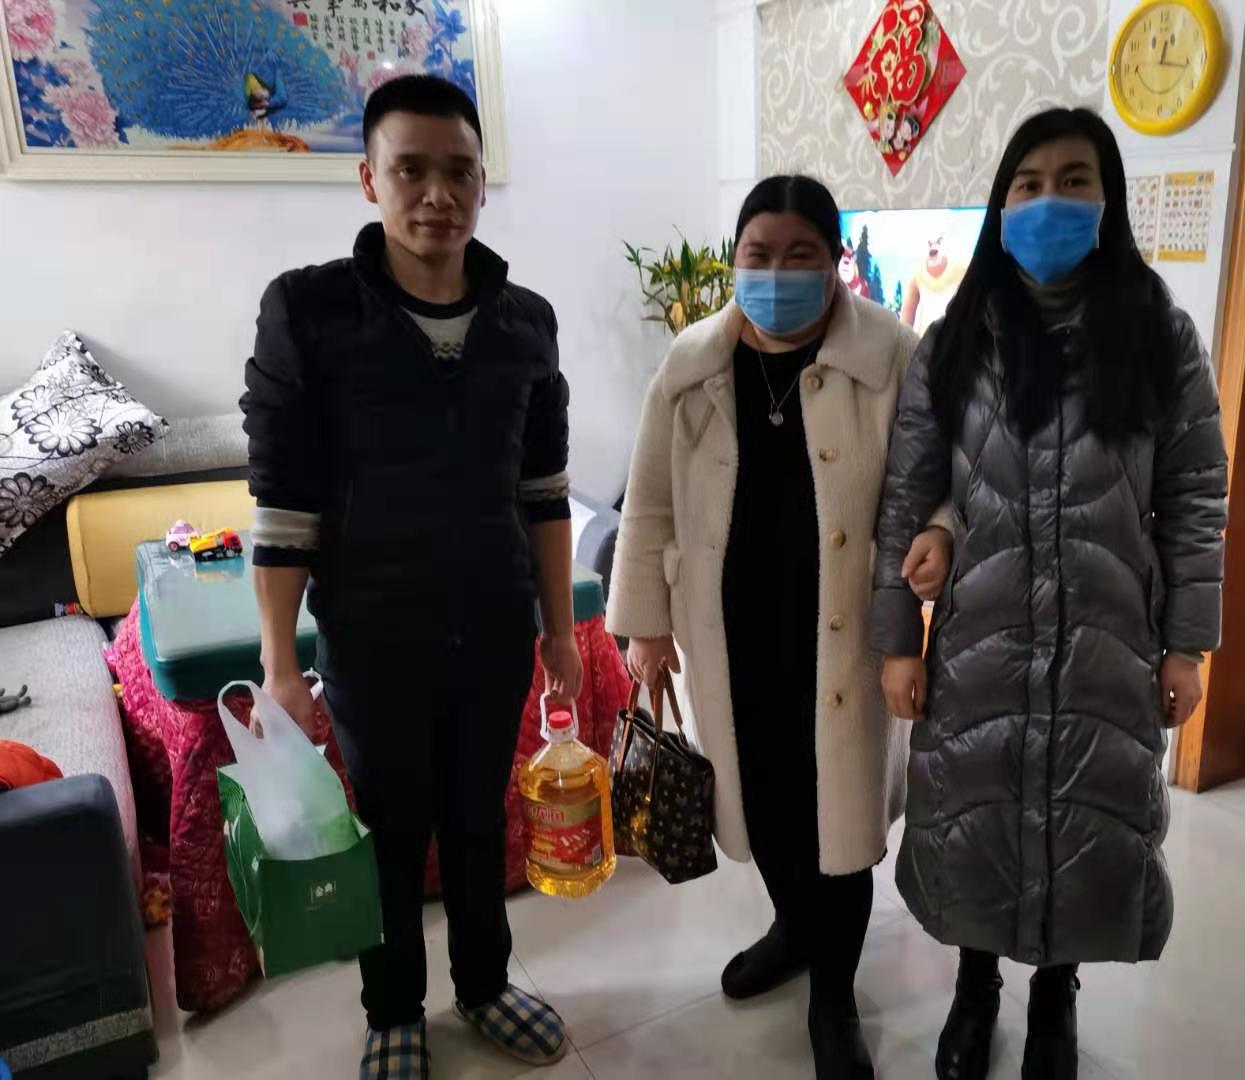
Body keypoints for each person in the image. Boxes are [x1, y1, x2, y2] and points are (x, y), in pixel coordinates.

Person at [870, 107, 1230, 1080]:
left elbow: (1196, 495)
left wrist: (1187, 644)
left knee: (1080, 815)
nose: (1049, 202)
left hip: (1106, 643)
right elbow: (907, 494)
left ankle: (1055, 993)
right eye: (1027, 184)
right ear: (1001, 205)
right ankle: (974, 981)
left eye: (1075, 181)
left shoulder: (1159, 336)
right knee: (980, 812)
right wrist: (898, 639)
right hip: (979, 638)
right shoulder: (955, 340)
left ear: (1108, 202)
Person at [240, 75, 580, 1079]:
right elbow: (283, 506)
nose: (439, 195)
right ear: (368, 180)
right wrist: (280, 663)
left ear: (482, 183)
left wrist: (560, 629)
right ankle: (393, 1012)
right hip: (371, 632)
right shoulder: (308, 312)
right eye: (412, 171)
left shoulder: (525, 323)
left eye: (460, 172)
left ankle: (484, 984)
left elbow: (545, 493)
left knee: (478, 817)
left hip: (492, 624)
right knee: (392, 831)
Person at [607, 174, 953, 1080]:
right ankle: (792, 929)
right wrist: (645, 626)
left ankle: (834, 995)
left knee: (837, 819)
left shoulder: (893, 355)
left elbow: (941, 479)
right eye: (757, 255)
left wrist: (940, 533)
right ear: (734, 259)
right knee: (759, 800)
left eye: (801, 255)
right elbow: (648, 499)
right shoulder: (692, 362)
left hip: (844, 633)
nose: (776, 273)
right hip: (727, 631)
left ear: (836, 260)